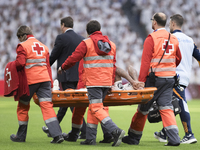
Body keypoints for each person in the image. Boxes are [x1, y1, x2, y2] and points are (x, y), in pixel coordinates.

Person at [58, 20, 126, 146]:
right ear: (99, 29)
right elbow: (113, 65)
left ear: (88, 32)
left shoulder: (87, 43)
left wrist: (63, 67)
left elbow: (74, 57)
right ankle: (90, 138)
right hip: (106, 82)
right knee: (94, 109)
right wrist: (112, 82)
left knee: (95, 108)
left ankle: (115, 131)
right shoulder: (112, 45)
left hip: (94, 82)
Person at [122, 12, 182, 146]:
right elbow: (178, 58)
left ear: (154, 22)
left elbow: (145, 63)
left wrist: (141, 81)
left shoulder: (151, 38)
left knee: (143, 109)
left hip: (154, 80)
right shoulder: (173, 38)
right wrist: (169, 68)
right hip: (169, 79)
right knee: (166, 108)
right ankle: (174, 139)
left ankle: (133, 137)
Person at [10, 25, 64, 143]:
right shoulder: (44, 47)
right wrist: (49, 83)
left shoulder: (22, 46)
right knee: (47, 107)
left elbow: (20, 63)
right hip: (44, 80)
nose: (19, 40)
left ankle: (20, 136)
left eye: (19, 38)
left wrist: (11, 65)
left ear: (22, 36)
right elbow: (48, 67)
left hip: (30, 81)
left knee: (23, 107)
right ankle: (57, 135)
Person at [154, 14, 200, 144]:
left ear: (173, 24)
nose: (169, 26)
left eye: (169, 23)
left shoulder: (170, 38)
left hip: (174, 76)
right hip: (185, 76)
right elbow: (199, 57)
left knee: (180, 103)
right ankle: (164, 133)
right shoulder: (190, 40)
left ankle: (189, 134)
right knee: (172, 104)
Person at [42, 16, 86, 139]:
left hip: (65, 75)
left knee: (71, 104)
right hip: (78, 75)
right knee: (66, 103)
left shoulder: (61, 38)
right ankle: (53, 128)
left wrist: (44, 68)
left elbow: (53, 56)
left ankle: (85, 130)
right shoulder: (81, 39)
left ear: (62, 25)